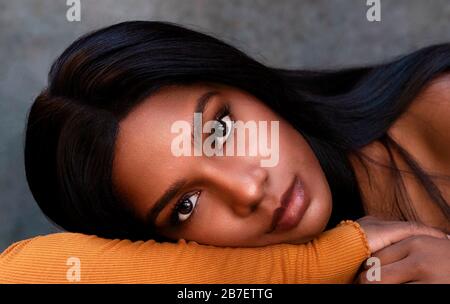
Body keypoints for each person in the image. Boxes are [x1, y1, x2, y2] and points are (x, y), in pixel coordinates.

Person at [23, 21, 450, 283]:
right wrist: (318, 264)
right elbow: (28, 273)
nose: (247, 189)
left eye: (220, 129)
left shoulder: (439, 109)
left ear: (247, 84)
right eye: (186, 205)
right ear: (156, 248)